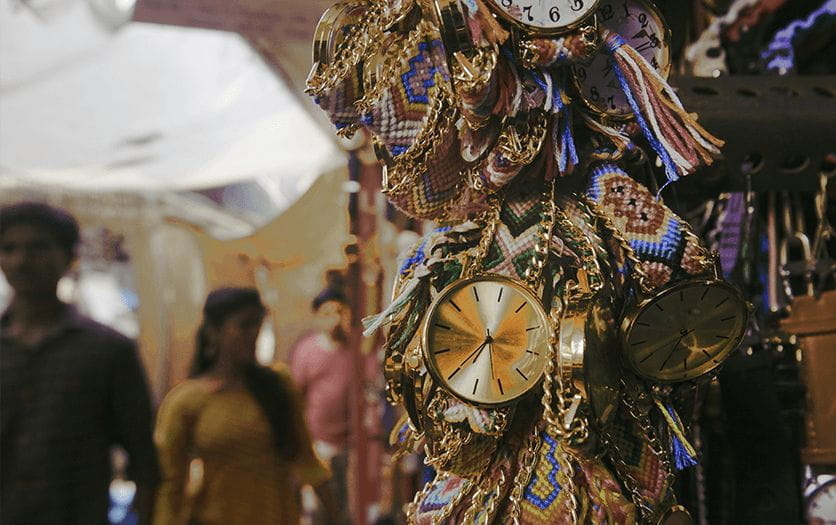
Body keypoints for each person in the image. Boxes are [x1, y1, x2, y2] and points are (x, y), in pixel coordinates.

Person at [0, 201, 160, 525]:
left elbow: (144, 462)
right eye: (9, 248)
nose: (21, 261)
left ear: (68, 258)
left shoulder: (108, 351)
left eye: (38, 247)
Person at [153, 287, 335, 525]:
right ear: (213, 332)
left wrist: (337, 515)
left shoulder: (277, 386)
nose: (254, 334)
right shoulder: (186, 401)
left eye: (257, 325)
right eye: (244, 325)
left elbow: (307, 462)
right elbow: (171, 484)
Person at [289, 273, 353, 524]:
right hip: (318, 443)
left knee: (341, 504)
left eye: (339, 311)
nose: (334, 319)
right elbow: (296, 399)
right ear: (317, 317)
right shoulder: (307, 351)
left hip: (346, 444)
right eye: (327, 313)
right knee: (316, 509)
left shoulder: (354, 352)